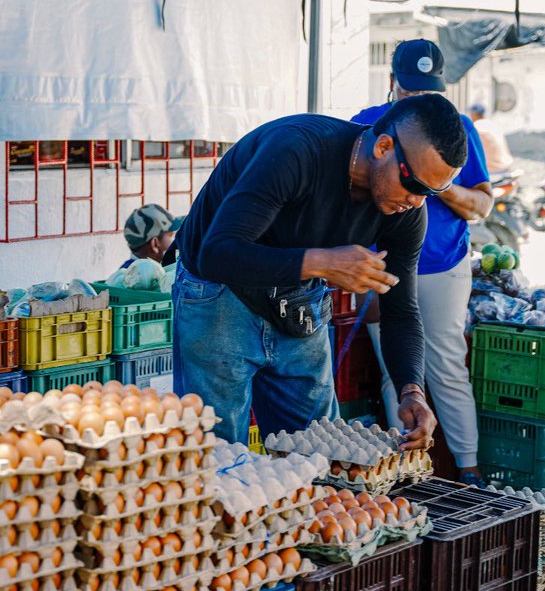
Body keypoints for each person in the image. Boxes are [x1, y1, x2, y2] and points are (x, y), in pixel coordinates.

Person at [172, 94, 468, 448]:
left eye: (432, 192)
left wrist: (411, 390)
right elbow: (217, 253)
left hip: (296, 299)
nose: (417, 201)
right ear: (383, 147)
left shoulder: (407, 211)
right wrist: (323, 263)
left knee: (320, 452)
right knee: (216, 455)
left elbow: (401, 309)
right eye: (415, 185)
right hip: (220, 292)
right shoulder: (296, 150)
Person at [353, 39, 492, 487]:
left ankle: (468, 470)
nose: (416, 98)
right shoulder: (366, 124)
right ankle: (404, 476)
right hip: (384, 267)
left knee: (447, 365)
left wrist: (434, 179)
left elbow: (482, 205)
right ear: (391, 82)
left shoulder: (457, 129)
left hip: (443, 266)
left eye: (426, 92)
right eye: (408, 89)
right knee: (395, 373)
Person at [121, 203, 182, 269]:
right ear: (154, 244)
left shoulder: (131, 271)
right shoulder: (145, 275)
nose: (177, 240)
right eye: (172, 236)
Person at [468, 103, 514, 174]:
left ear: (473, 114)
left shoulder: (476, 127)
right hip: (506, 164)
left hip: (492, 169)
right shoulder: (493, 124)